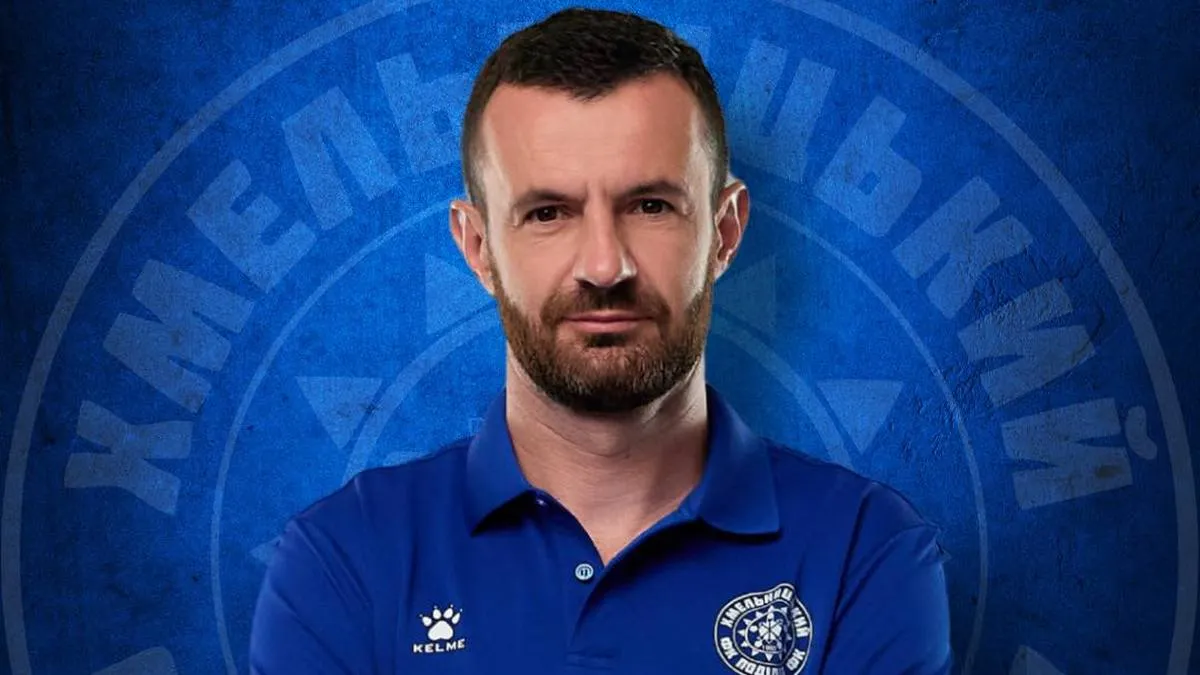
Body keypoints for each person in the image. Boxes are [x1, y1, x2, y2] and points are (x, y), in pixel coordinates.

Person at [250, 7, 951, 674]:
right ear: (478, 246)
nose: (604, 266)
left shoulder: (864, 551)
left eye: (650, 206)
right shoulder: (344, 559)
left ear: (725, 232)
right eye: (548, 213)